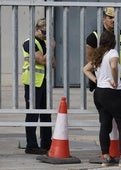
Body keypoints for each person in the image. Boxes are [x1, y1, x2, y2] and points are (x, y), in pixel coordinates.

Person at [86, 7, 121, 153]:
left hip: (120, 82)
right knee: (106, 121)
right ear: (103, 18)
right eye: (109, 17)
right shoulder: (94, 36)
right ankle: (113, 153)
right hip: (106, 83)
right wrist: (98, 78)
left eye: (114, 18)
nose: (112, 20)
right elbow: (89, 58)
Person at [21, 18, 56, 154]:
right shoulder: (29, 43)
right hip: (32, 82)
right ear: (37, 29)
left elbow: (53, 64)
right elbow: (41, 60)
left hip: (43, 82)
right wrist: (50, 49)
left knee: (46, 115)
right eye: (43, 32)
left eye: (48, 33)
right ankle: (31, 145)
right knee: (32, 115)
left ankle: (46, 144)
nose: (46, 35)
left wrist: (49, 50)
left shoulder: (45, 43)